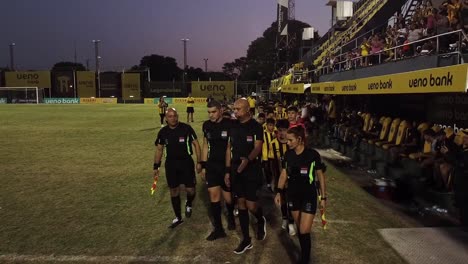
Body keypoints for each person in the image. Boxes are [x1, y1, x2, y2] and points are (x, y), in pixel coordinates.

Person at [275, 126, 327, 264]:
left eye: (290, 140)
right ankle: (305, 255)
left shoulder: (313, 155)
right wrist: (279, 192)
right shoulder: (288, 155)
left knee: (304, 230)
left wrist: (323, 197)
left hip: (309, 195)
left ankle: (304, 260)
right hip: (292, 195)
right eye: (287, 140)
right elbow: (284, 174)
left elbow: (320, 176)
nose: (287, 143)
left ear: (299, 139)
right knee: (300, 229)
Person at [225, 98, 266, 254]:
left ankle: (260, 219)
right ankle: (246, 240)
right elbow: (228, 148)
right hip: (236, 169)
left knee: (251, 205)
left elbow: (258, 147)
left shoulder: (256, 127)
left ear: (248, 110)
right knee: (240, 203)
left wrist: (247, 160)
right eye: (234, 109)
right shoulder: (233, 126)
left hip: (251, 169)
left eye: (238, 109)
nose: (235, 112)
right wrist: (228, 171)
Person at [153, 108, 202, 228]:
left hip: (186, 163)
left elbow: (196, 144)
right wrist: (156, 166)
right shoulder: (163, 132)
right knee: (174, 190)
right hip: (171, 165)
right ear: (166, 118)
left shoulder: (186, 128)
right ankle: (178, 217)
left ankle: (189, 203)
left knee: (190, 190)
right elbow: (159, 149)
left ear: (177, 116)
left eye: (175, 116)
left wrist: (199, 162)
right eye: (170, 116)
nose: (173, 118)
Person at [201, 100, 236, 241]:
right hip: (212, 166)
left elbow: (232, 147)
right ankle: (219, 229)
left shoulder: (230, 124)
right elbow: (204, 145)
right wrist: (203, 165)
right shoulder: (206, 125)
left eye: (213, 112)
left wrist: (230, 168)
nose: (211, 115)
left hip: (226, 166)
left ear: (221, 110)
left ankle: (231, 217)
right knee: (213, 196)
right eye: (209, 112)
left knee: (228, 197)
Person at [268, 119, 296, 236]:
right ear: (277, 131)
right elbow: (271, 163)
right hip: (279, 178)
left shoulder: (293, 144)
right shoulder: (273, 144)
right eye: (280, 130)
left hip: (292, 179)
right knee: (283, 200)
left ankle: (291, 222)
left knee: (292, 201)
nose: (282, 133)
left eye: (285, 130)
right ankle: (285, 218)